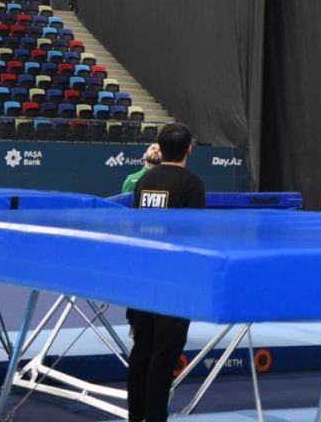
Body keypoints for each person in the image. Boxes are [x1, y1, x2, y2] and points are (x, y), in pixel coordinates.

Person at [127, 123, 205, 422]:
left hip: (144, 276)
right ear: (188, 150)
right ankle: (156, 417)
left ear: (159, 146)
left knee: (142, 351)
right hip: (174, 281)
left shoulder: (145, 179)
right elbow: (195, 235)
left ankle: (136, 417)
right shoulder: (191, 183)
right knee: (163, 357)